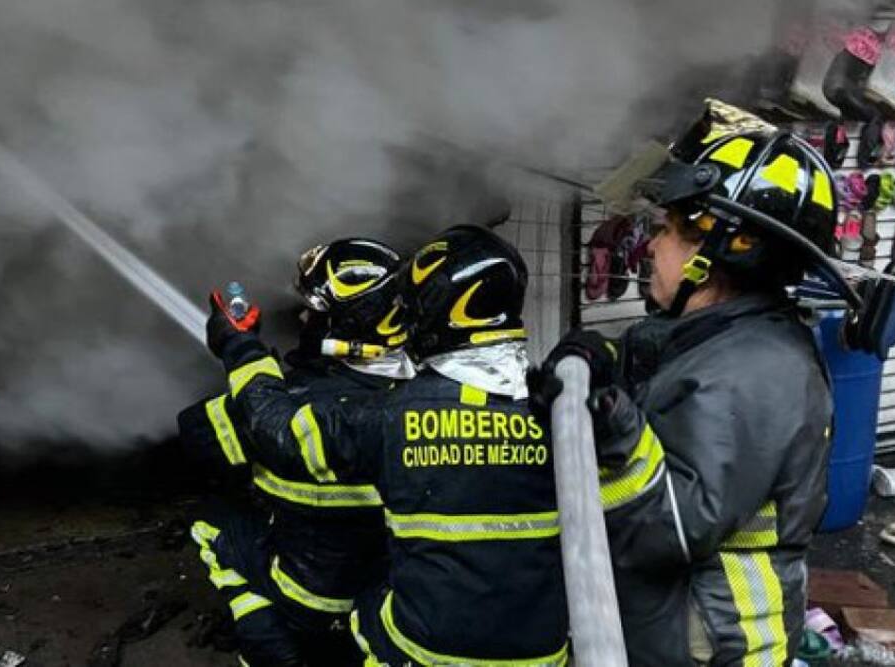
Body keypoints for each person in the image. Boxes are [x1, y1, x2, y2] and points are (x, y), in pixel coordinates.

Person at [535, 125, 836, 666]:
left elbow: (670, 526)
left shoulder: (758, 371)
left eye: (669, 229)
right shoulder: (728, 341)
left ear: (722, 248)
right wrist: (604, 362)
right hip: (683, 627)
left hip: (713, 645)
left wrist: (610, 423)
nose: (652, 244)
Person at [206, 224, 570, 666]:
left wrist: (240, 346)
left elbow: (278, 430)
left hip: (416, 651)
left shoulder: (395, 417)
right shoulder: (562, 409)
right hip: (546, 653)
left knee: (217, 529)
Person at [180, 238, 414, 667]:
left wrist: (244, 354)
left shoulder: (294, 404)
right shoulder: (425, 399)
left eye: (313, 311)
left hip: (307, 604)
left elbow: (196, 435)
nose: (303, 318)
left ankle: (263, 638)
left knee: (214, 524)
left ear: (343, 322)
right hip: (389, 609)